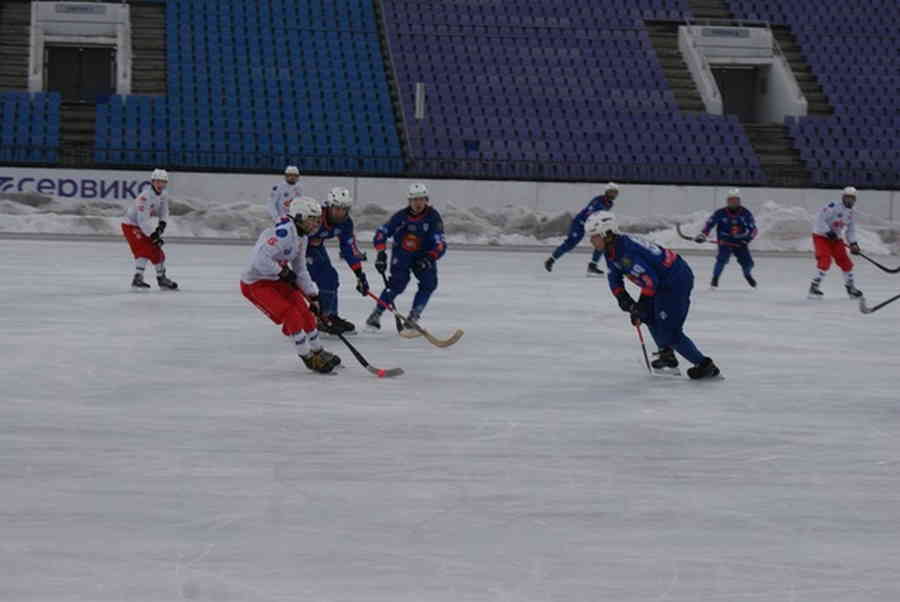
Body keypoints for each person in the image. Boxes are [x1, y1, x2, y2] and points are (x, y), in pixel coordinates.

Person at [586, 210, 720, 380]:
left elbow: (650, 281)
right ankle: (667, 355)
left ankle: (705, 366)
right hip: (663, 280)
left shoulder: (625, 253)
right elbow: (614, 276)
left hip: (675, 281)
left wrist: (639, 305)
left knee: (671, 332)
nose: (591, 241)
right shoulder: (613, 249)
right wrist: (624, 299)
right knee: (647, 315)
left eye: (594, 236)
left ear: (607, 234)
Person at [240, 196, 341, 374]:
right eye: (312, 219)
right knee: (291, 314)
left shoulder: (303, 237)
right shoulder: (285, 233)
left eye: (317, 220)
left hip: (276, 279)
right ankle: (307, 357)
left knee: (306, 311)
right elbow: (258, 260)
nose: (316, 224)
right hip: (256, 283)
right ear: (300, 216)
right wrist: (282, 272)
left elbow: (300, 269)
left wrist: (313, 295)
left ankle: (318, 350)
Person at [365, 183, 446, 330]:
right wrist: (381, 253)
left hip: (423, 256)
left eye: (421, 199)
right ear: (409, 201)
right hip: (402, 255)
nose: (418, 203)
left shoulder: (433, 217)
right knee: (397, 284)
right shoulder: (400, 217)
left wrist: (430, 258)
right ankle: (376, 314)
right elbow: (381, 233)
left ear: (426, 200)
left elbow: (440, 243)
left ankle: (414, 316)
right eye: (414, 200)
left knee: (429, 283)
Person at [306, 187, 370, 335]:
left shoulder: (346, 223)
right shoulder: (315, 216)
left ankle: (330, 316)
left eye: (344, 209)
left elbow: (349, 249)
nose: (340, 213)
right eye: (337, 208)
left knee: (331, 278)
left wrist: (359, 275)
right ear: (329, 206)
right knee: (327, 278)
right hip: (299, 248)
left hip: (315, 246)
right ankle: (322, 318)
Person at [544, 182, 619, 276]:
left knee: (603, 242)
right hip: (580, 223)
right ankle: (551, 260)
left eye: (616, 193)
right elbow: (590, 213)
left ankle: (592, 266)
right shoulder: (598, 201)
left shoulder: (610, 203)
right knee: (570, 243)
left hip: (593, 224)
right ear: (607, 191)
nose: (614, 195)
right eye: (612, 192)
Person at [121, 168, 178, 290]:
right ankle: (153, 278)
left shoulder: (164, 194)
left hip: (141, 225)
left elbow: (164, 212)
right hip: (130, 225)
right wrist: (154, 236)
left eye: (163, 182)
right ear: (152, 182)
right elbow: (142, 221)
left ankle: (149, 277)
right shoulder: (145, 197)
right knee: (146, 248)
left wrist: (160, 227)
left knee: (153, 249)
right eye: (158, 181)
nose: (160, 184)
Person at [695, 188, 758, 288]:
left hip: (741, 242)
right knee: (721, 260)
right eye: (730, 200)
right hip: (725, 241)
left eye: (735, 200)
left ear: (739, 201)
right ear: (727, 201)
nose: (733, 202)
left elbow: (753, 229)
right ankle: (715, 279)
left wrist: (747, 239)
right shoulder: (720, 213)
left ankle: (747, 274)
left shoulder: (746, 213)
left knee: (748, 263)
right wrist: (703, 235)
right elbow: (709, 224)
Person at [809, 186, 863, 299]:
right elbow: (820, 219)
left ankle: (851, 288)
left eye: (852, 198)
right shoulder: (832, 206)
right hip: (821, 237)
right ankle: (814, 287)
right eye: (847, 198)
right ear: (843, 198)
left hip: (836, 239)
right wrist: (828, 231)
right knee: (825, 260)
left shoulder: (851, 213)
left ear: (855, 200)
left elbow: (850, 230)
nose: (849, 201)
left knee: (846, 262)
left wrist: (853, 243)